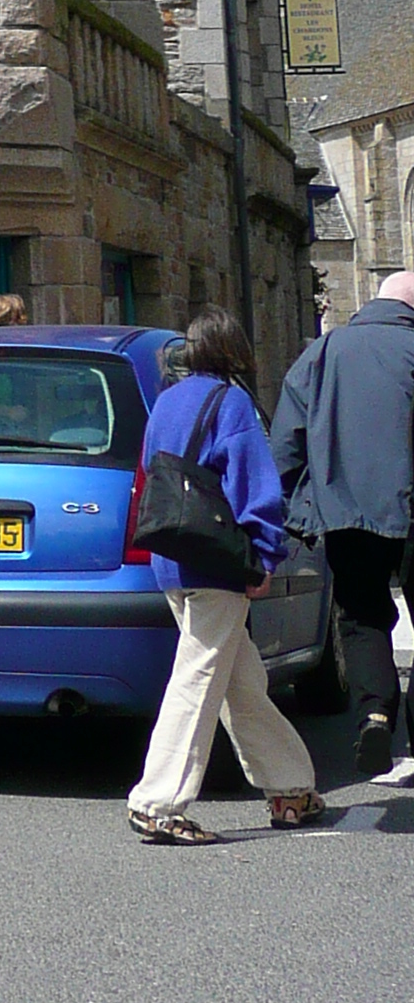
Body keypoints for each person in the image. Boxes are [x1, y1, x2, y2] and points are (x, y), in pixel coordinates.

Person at [126, 308, 324, 843]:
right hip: (218, 562)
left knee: (242, 681)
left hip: (172, 560)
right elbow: (254, 489)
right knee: (198, 678)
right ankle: (159, 801)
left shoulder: (167, 401)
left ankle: (290, 788)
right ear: (233, 349)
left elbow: (152, 469)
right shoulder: (232, 402)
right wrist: (262, 557)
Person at [270, 269, 414, 777]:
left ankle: (375, 714)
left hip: (346, 510)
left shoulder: (324, 352)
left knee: (362, 617)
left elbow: (288, 437)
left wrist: (285, 510)